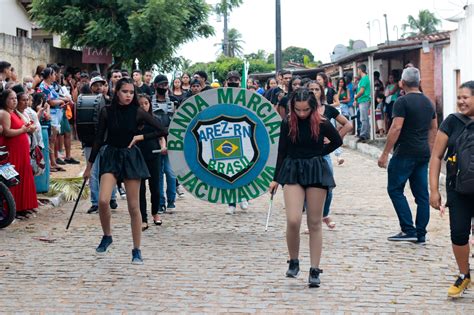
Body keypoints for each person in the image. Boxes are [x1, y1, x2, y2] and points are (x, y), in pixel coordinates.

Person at [83, 78, 168, 264]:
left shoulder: (137, 112)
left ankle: (136, 249)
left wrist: (141, 137)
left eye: (131, 92)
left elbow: (163, 130)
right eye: (125, 92)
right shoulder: (107, 111)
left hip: (131, 157)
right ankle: (107, 236)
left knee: (133, 207)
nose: (128, 95)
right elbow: (98, 139)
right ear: (116, 91)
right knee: (103, 200)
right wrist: (89, 166)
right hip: (111, 155)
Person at [269, 88, 342, 288]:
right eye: (298, 110)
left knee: (314, 222)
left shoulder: (322, 122)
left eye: (305, 110)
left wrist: (320, 152)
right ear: (293, 107)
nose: (302, 114)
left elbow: (338, 140)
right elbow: (281, 151)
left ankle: (314, 269)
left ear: (312, 107)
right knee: (293, 220)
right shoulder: (286, 123)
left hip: (316, 170)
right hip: (292, 168)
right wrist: (275, 179)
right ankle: (293, 260)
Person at [378, 67, 437, 243]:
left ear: (401, 83)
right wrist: (432, 151)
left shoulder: (402, 102)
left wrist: (385, 153)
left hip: (404, 153)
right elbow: (433, 128)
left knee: (395, 189)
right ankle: (421, 233)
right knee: (422, 196)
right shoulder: (428, 103)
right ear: (419, 83)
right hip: (423, 153)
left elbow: (396, 127)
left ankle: (408, 229)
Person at [429, 81, 474, 298]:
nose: (461, 101)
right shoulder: (452, 122)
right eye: (459, 97)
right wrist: (434, 190)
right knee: (458, 234)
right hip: (457, 189)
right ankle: (464, 274)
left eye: (465, 97)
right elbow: (436, 156)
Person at [308, 81, 353, 229]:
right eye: (311, 89)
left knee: (328, 187)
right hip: (306, 154)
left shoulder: (328, 109)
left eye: (317, 89)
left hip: (324, 153)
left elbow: (348, 124)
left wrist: (335, 138)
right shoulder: (302, 110)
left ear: (321, 92)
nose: (314, 92)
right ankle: (312, 221)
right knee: (307, 187)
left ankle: (325, 214)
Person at [80, 76, 118, 214]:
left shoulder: (111, 103)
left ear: (105, 87)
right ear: (91, 87)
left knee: (109, 170)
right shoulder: (84, 102)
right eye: (96, 85)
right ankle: (95, 202)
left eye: (101, 85)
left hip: (107, 142)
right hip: (90, 142)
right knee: (93, 173)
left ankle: (112, 197)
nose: (99, 88)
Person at [0, 89, 39, 218]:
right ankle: (12, 209)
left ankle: (23, 206)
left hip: (21, 149)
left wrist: (26, 128)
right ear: (5, 100)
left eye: (15, 98)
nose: (14, 101)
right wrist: (23, 130)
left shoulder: (15, 113)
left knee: (23, 176)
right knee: (14, 179)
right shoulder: (5, 113)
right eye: (11, 99)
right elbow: (7, 132)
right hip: (13, 150)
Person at [224, 71, 249, 214]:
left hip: (243, 135)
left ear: (240, 81)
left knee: (244, 170)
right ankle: (231, 202)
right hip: (225, 136)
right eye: (230, 79)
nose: (233, 81)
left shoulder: (246, 96)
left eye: (235, 79)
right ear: (227, 81)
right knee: (228, 171)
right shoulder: (220, 96)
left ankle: (244, 196)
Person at [137, 94, 164, 230]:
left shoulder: (155, 119)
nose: (144, 106)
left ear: (150, 104)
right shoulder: (133, 121)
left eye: (146, 103)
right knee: (140, 189)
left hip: (154, 156)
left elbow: (162, 135)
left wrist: (163, 146)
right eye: (141, 104)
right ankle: (143, 218)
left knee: (156, 188)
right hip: (138, 157)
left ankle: (155, 213)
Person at [354, 64, 371, 142]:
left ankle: (363, 135)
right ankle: (366, 134)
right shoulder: (363, 79)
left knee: (363, 118)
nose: (357, 71)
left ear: (360, 70)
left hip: (364, 100)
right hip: (362, 100)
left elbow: (361, 91)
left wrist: (355, 97)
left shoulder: (364, 79)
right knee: (364, 118)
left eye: (358, 70)